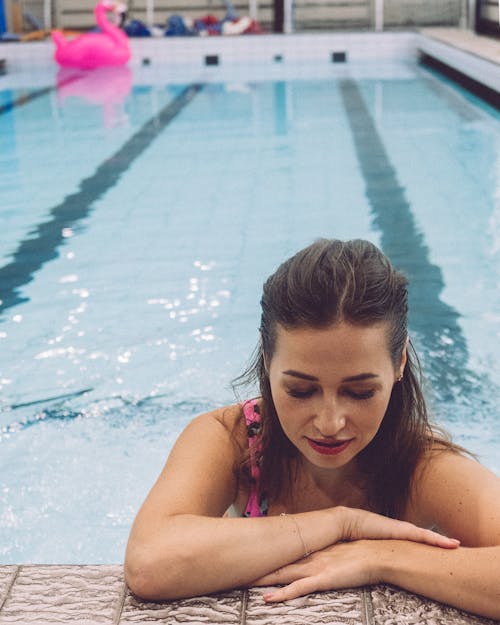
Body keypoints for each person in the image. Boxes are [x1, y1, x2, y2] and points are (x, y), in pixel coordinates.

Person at [125, 238, 500, 619]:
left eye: (360, 392)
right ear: (268, 359)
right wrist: (341, 523)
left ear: (399, 361)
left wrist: (382, 556)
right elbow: (149, 562)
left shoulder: (420, 466)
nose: (330, 423)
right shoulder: (233, 440)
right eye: (301, 391)